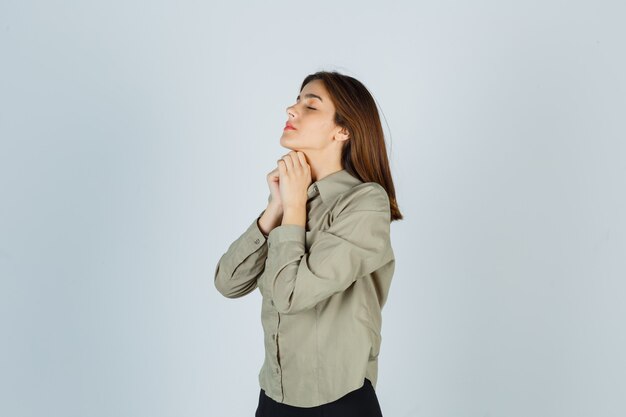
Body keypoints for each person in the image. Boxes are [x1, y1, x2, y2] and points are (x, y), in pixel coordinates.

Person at [214, 70, 403, 417]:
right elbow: (227, 283)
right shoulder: (295, 202)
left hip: (337, 403)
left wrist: (295, 206)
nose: (291, 109)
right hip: (273, 398)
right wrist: (276, 208)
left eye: (310, 105)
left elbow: (290, 295)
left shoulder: (365, 203)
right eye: (296, 100)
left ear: (343, 130)